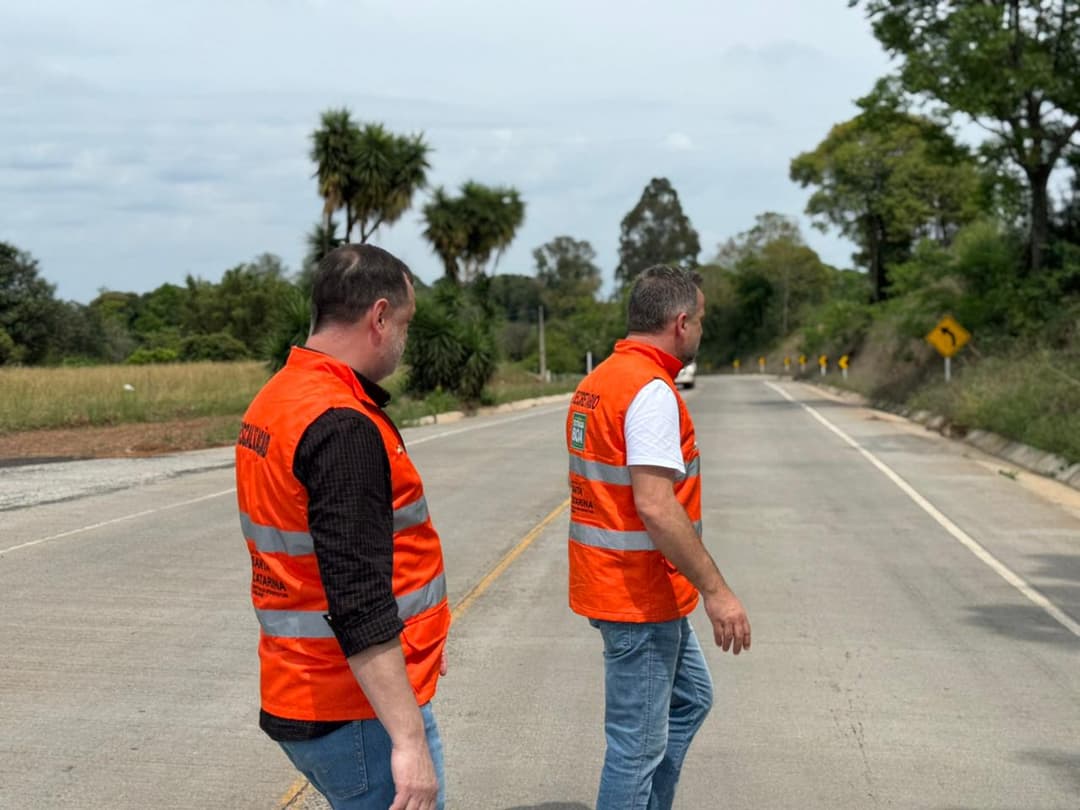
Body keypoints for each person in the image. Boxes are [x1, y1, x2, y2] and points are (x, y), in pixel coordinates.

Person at [235, 244, 450, 810]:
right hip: (354, 709)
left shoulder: (278, 398)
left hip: (301, 685)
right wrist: (408, 741)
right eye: (404, 323)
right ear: (379, 317)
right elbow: (357, 599)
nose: (403, 341)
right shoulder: (341, 427)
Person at [565, 264, 751, 810]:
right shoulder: (648, 392)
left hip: (631, 590)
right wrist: (718, 592)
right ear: (680, 322)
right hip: (637, 598)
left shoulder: (600, 380)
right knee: (635, 747)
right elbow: (654, 504)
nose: (700, 330)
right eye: (701, 320)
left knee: (692, 699)